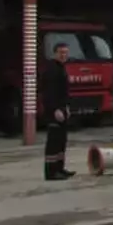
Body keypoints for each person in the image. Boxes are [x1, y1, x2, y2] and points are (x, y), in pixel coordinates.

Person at [40, 41, 74, 181]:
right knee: (54, 142)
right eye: (61, 53)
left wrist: (66, 107)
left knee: (61, 141)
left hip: (62, 109)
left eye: (66, 52)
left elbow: (63, 92)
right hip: (54, 111)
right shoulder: (52, 69)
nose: (64, 55)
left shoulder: (61, 68)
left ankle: (60, 168)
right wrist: (55, 110)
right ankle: (51, 172)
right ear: (55, 53)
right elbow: (50, 93)